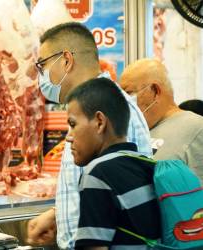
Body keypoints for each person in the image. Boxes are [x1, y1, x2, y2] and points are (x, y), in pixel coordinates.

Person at [27, 22, 152, 249]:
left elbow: (125, 198)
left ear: (66, 60)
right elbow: (104, 192)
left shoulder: (117, 111)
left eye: (42, 66)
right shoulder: (88, 110)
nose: (41, 76)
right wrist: (57, 214)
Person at [66, 77, 161, 249]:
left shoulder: (98, 174)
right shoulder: (145, 164)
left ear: (100, 122)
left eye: (73, 124)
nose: (68, 137)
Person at [120, 59, 203, 180]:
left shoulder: (197, 128)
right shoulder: (136, 133)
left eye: (129, 94)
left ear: (155, 91)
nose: (125, 102)